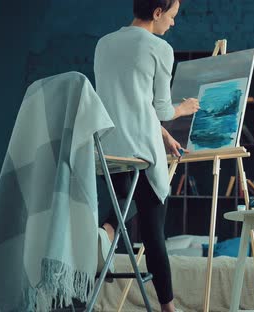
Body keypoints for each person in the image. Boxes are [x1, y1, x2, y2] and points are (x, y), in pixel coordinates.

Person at [93, 0, 198, 311]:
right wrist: (185, 108)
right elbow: (163, 109)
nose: (173, 24)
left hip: (108, 149)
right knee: (154, 231)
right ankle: (168, 308)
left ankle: (106, 232)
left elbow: (123, 102)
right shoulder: (159, 48)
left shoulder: (104, 43)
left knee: (125, 205)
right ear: (157, 13)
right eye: (172, 16)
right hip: (140, 151)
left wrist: (163, 135)